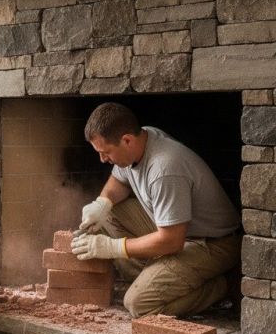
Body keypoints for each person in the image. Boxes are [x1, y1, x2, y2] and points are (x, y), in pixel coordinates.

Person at [71, 102, 240, 318]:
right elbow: (119, 181)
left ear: (127, 140)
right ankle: (161, 278)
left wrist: (113, 247)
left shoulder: (164, 169)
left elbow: (171, 241)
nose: (103, 160)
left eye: (106, 153)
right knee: (110, 213)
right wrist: (101, 203)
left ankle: (221, 287)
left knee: (138, 304)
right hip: (178, 228)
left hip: (211, 242)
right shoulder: (143, 138)